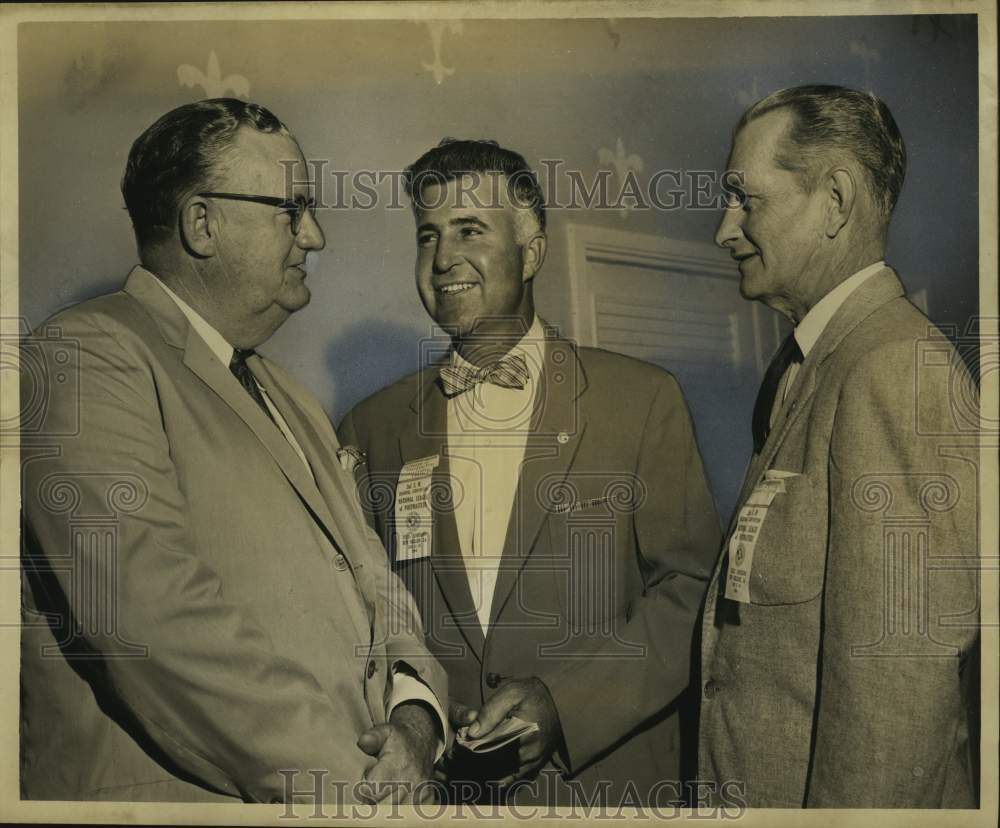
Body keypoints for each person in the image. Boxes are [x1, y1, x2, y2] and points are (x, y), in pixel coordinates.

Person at [19, 98, 447, 804]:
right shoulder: (80, 359)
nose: (315, 237)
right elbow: (157, 627)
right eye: (291, 210)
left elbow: (378, 584)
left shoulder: (290, 396)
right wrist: (364, 795)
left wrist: (417, 717)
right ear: (201, 224)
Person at [338, 139, 722, 805]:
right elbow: (366, 616)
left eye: (469, 231)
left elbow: (689, 593)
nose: (443, 259)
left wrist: (564, 706)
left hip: (602, 792)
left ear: (533, 251)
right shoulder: (371, 428)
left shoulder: (640, 401)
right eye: (427, 236)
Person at [699, 85, 980, 807]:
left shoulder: (888, 369)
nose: (723, 230)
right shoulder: (804, 370)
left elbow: (896, 708)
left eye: (745, 198)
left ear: (835, 201)